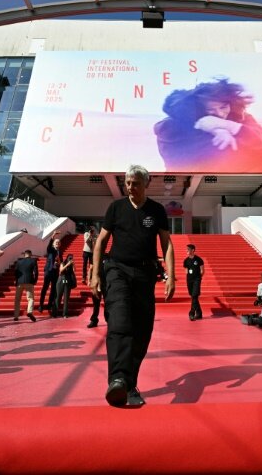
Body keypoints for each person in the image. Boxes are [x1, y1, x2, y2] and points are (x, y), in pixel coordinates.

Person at [89, 164, 175, 407]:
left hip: (146, 275)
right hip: (117, 270)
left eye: (135, 183)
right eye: (127, 183)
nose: (129, 187)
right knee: (119, 321)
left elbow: (167, 244)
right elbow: (101, 242)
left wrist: (172, 275)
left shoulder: (156, 210)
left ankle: (128, 383)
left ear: (145, 184)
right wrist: (96, 275)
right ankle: (117, 378)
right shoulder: (116, 208)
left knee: (142, 331)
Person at [153, 78, 262, 173]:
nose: (219, 113)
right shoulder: (170, 129)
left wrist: (228, 126)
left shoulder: (241, 118)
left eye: (224, 107)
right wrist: (209, 126)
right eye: (211, 110)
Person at [38, 230, 62, 315]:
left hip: (55, 272)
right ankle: (41, 305)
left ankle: (49, 304)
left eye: (59, 243)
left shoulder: (60, 252)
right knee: (45, 288)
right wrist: (53, 235)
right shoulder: (50, 250)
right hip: (48, 271)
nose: (57, 243)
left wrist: (59, 261)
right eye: (56, 242)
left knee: (53, 289)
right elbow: (49, 244)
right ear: (53, 244)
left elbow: (61, 263)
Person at [13, 249, 39, 321]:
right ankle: (29, 311)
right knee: (30, 298)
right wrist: (35, 280)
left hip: (19, 282)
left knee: (17, 299)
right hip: (29, 281)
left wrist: (16, 280)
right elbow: (36, 272)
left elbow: (15, 272)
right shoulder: (33, 261)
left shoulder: (19, 261)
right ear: (30, 254)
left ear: (24, 254)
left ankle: (16, 315)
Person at [183, 244, 205, 321]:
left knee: (194, 295)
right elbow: (186, 271)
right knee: (193, 296)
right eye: (186, 249)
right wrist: (189, 277)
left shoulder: (199, 259)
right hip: (189, 280)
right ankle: (199, 313)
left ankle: (191, 313)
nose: (187, 251)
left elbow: (202, 271)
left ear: (193, 250)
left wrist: (198, 278)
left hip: (197, 279)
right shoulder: (186, 261)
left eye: (188, 249)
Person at [87, 255, 107, 328]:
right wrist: (89, 280)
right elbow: (91, 269)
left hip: (105, 283)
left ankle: (108, 319)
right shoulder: (94, 257)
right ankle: (94, 320)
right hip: (96, 282)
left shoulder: (107, 256)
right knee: (96, 304)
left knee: (107, 302)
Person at [55, 253, 76, 318]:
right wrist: (67, 264)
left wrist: (73, 265)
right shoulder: (63, 263)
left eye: (71, 258)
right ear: (66, 258)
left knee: (66, 298)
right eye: (69, 258)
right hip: (61, 280)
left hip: (68, 281)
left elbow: (74, 271)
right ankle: (55, 312)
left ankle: (65, 314)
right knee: (58, 296)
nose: (70, 259)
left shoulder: (71, 265)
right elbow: (61, 270)